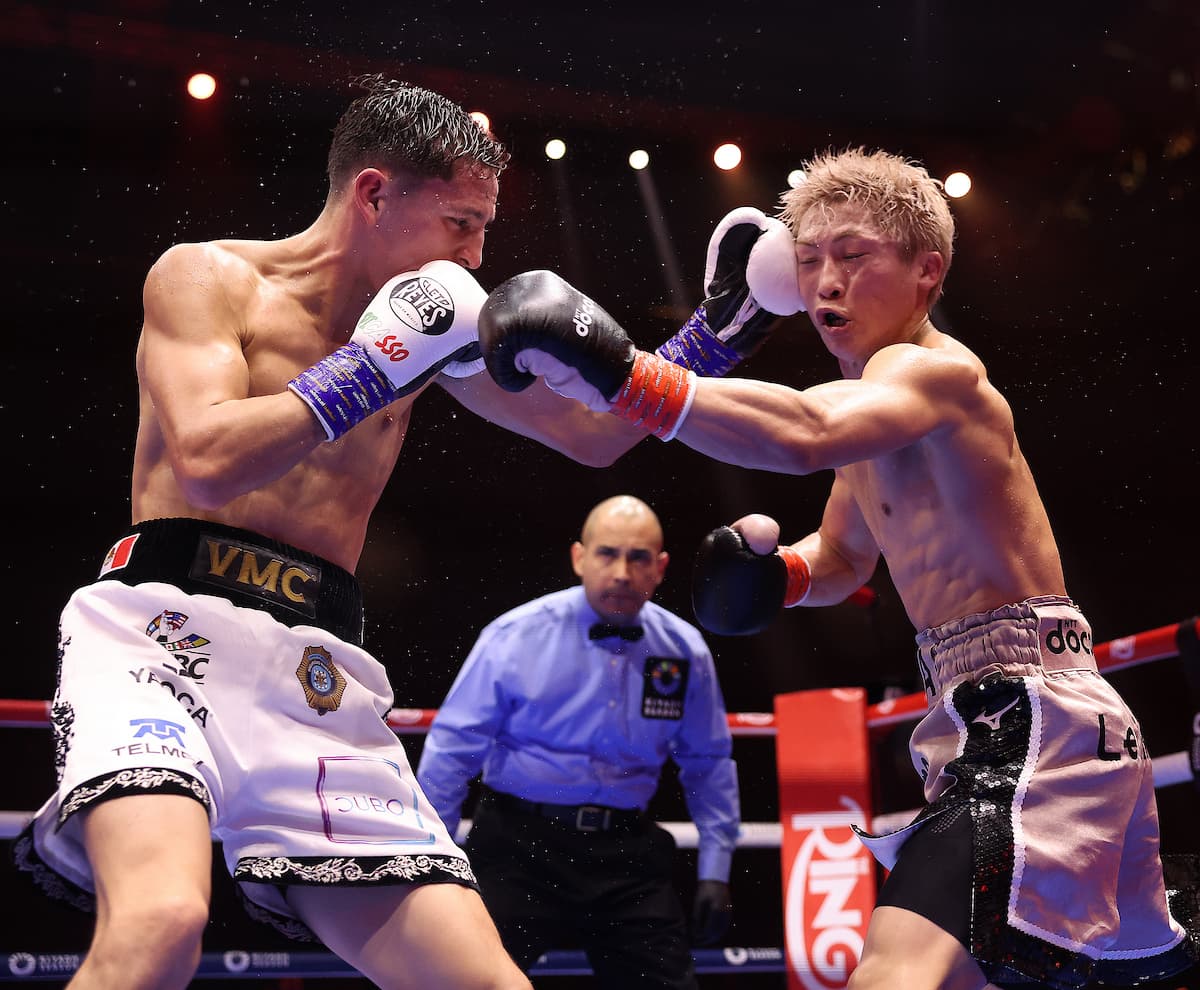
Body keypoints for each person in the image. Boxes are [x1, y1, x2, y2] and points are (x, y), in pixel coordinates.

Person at [11, 73, 793, 990]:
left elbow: (593, 434)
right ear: (375, 193)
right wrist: (374, 366)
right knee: (162, 921)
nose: (476, 250)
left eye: (485, 228)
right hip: (163, 635)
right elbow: (209, 457)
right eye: (461, 221)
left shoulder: (438, 327)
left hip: (314, 669)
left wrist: (719, 335)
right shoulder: (208, 277)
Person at [473, 148, 1197, 989]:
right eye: (810, 260)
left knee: (892, 971)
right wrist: (772, 575)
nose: (826, 283)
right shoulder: (872, 405)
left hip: (1033, 714)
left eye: (853, 258)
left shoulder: (933, 372)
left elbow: (806, 433)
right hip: (992, 714)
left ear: (928, 271)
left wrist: (628, 376)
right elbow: (843, 555)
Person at [417, 495, 739, 989]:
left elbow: (709, 763)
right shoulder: (517, 635)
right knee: (460, 983)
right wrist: (429, 861)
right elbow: (452, 750)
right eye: (607, 553)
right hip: (518, 848)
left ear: (661, 568)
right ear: (579, 558)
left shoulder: (683, 650)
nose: (622, 573)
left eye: (638, 557)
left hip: (625, 855)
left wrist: (716, 869)